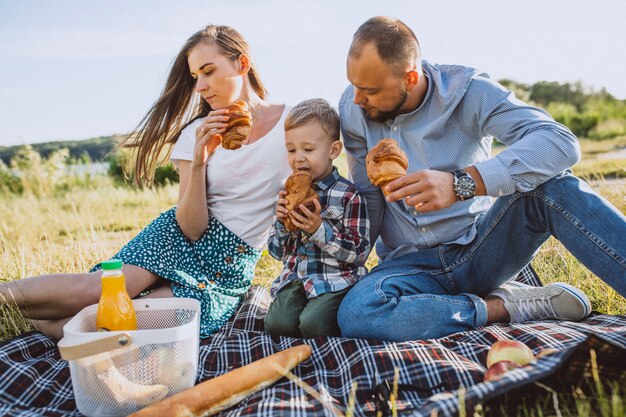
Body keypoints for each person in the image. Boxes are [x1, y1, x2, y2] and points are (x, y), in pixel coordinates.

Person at [336, 16, 626, 342]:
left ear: (410, 78)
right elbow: (367, 200)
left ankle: (453, 306)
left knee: (554, 186)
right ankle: (505, 307)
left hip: (479, 249)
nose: (358, 99)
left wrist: (463, 183)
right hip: (408, 268)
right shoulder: (352, 109)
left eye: (370, 90)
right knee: (357, 313)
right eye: (354, 85)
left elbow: (559, 142)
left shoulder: (469, 92)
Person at [0, 25, 291, 339]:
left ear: (242, 64)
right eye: (196, 77)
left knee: (113, 323)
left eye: (208, 71)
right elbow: (191, 227)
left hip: (227, 269)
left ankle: (39, 321)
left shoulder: (292, 125)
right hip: (176, 238)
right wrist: (199, 160)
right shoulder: (196, 132)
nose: (201, 87)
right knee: (95, 292)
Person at [264, 99, 370, 338]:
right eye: (291, 150)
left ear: (333, 150)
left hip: (336, 281)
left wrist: (318, 230)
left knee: (313, 326)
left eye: (308, 149)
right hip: (297, 278)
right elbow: (278, 253)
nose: (298, 158)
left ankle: (336, 313)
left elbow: (359, 254)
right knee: (276, 325)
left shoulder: (349, 196)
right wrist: (282, 224)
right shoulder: (287, 193)